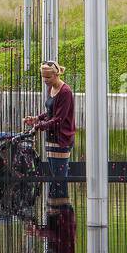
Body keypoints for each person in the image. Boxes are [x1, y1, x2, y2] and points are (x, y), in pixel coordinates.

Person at [23, 61, 75, 205]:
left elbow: (59, 119)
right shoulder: (51, 89)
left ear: (56, 75)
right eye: (43, 77)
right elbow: (50, 112)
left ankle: (61, 214)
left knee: (59, 178)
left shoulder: (65, 92)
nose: (45, 81)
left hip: (62, 139)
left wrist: (39, 126)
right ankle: (54, 215)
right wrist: (36, 119)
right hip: (51, 138)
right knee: (54, 176)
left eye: (48, 78)